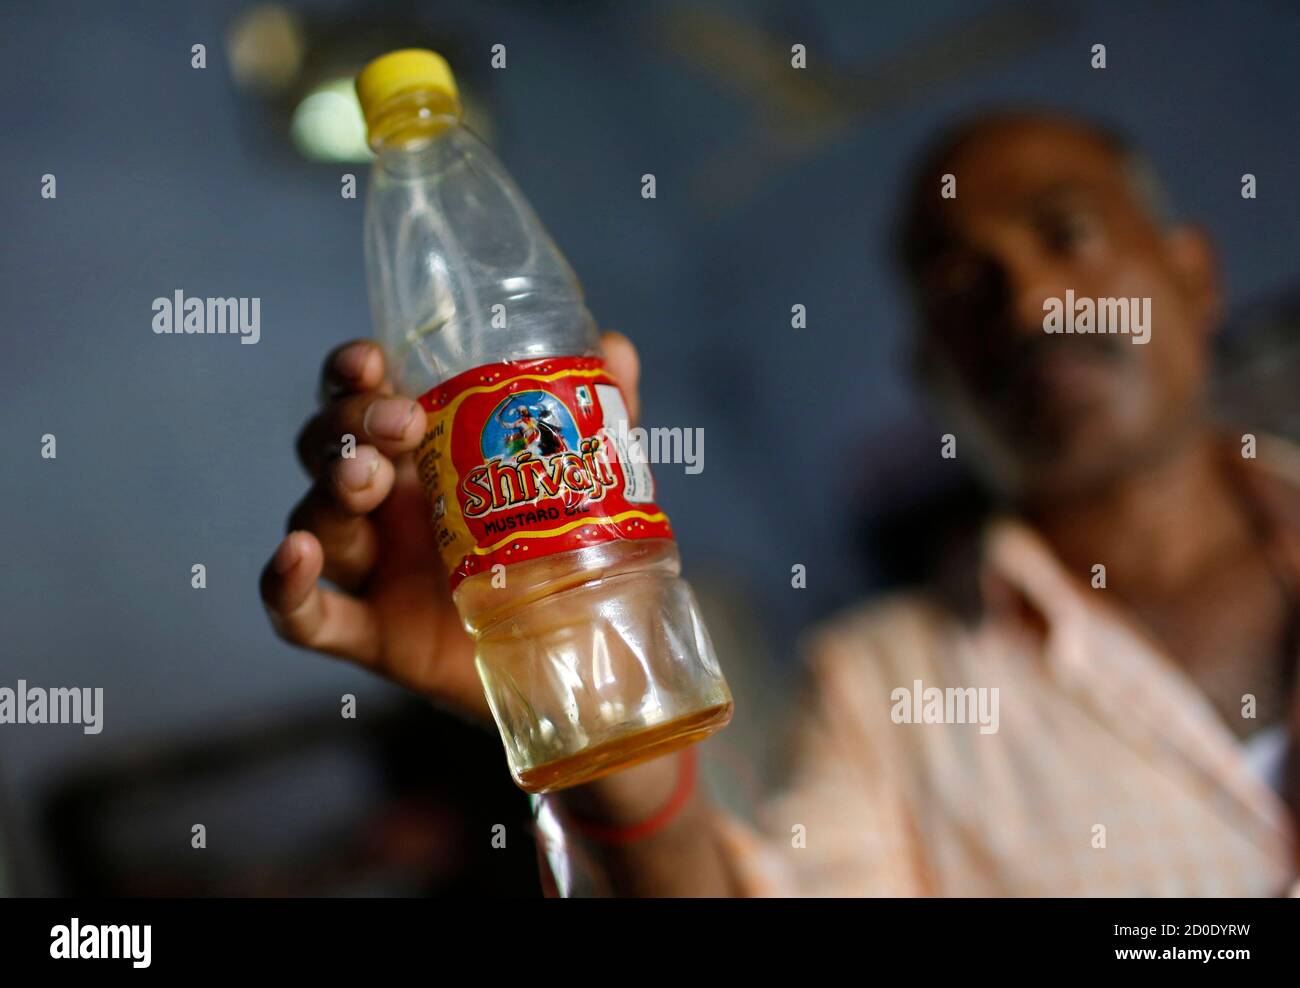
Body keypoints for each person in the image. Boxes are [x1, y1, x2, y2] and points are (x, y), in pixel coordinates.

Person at [260, 110, 1300, 896]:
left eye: (1064, 234)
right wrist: (586, 706)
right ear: (929, 373)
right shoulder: (875, 690)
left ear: (1191, 271)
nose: (1027, 305)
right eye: (961, 294)